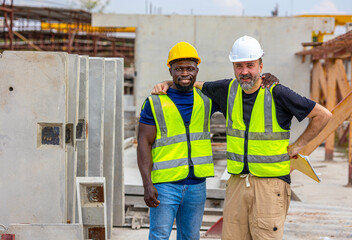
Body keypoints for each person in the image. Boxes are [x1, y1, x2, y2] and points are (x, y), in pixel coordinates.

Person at [152, 36, 332, 240]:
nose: (244, 71)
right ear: (233, 66)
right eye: (239, 66)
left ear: (260, 65)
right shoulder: (227, 90)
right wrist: (166, 83)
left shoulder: (277, 93)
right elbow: (190, 82)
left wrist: (298, 146)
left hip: (270, 184)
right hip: (237, 182)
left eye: (250, 65)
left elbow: (323, 115)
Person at [138, 41, 279, 240]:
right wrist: (147, 184)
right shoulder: (155, 102)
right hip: (165, 185)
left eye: (189, 68)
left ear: (197, 71)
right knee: (159, 236)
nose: (184, 73)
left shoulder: (206, 99)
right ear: (170, 70)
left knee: (190, 237)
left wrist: (268, 78)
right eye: (179, 69)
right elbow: (144, 142)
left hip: (197, 186)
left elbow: (244, 88)